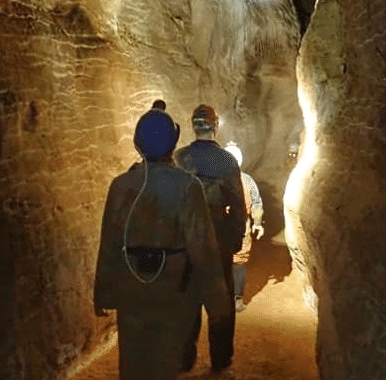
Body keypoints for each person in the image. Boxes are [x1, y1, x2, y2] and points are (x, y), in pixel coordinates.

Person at [94, 108, 229, 380]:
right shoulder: (186, 186)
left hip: (132, 289)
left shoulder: (121, 185)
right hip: (173, 291)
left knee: (132, 362)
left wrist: (103, 291)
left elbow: (109, 242)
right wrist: (217, 302)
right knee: (165, 363)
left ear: (137, 143)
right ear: (173, 142)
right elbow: (202, 248)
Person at [174, 104, 246, 374]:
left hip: (184, 238)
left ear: (193, 125)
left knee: (185, 298)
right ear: (215, 125)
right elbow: (238, 205)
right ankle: (220, 360)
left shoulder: (180, 158)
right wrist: (235, 239)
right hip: (217, 237)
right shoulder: (227, 161)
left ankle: (183, 358)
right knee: (221, 302)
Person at [224, 142, 264, 312]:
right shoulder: (247, 180)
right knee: (238, 264)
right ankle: (237, 300)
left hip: (220, 229)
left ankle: (221, 298)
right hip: (242, 229)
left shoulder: (215, 180)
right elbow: (257, 204)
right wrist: (256, 224)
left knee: (221, 263)